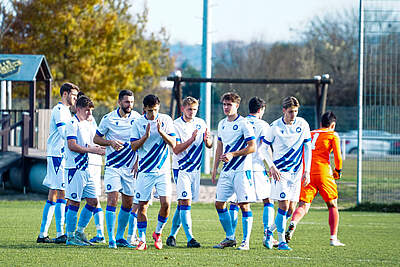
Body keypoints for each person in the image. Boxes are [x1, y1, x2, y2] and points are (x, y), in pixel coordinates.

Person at [285, 111, 345, 246]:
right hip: (323, 172)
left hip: (307, 173)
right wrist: (338, 171)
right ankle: (333, 239)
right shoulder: (332, 134)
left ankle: (293, 223)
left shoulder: (310, 133)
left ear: (321, 123)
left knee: (303, 205)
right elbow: (338, 157)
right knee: (332, 205)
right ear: (333, 125)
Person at [262, 96, 312, 250]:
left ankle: (269, 232)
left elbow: (308, 148)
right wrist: (271, 166)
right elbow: (263, 148)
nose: (293, 115)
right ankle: (281, 241)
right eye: (290, 111)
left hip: (296, 174)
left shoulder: (303, 124)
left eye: (296, 111)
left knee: (290, 210)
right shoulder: (275, 127)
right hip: (280, 173)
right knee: (283, 207)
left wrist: (307, 171)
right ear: (284, 110)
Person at [93, 90, 141, 249]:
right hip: (113, 167)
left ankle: (120, 237)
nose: (130, 105)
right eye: (127, 102)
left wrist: (138, 161)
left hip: (130, 168)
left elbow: (142, 142)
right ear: (119, 102)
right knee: (113, 199)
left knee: (128, 203)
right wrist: (110, 142)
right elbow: (96, 138)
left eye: (132, 102)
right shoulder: (108, 119)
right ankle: (111, 239)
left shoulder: (138, 118)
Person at [130, 94, 176, 251]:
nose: (153, 114)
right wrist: (146, 136)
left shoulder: (166, 120)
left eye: (155, 110)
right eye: (150, 111)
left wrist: (162, 132)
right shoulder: (138, 123)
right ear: (144, 109)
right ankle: (142, 239)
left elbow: (174, 144)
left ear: (159, 108)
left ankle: (158, 233)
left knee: (166, 204)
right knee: (142, 205)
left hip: (162, 171)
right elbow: (133, 146)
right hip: (145, 171)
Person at [211, 92, 256, 250]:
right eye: (224, 104)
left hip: (241, 171)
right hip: (226, 171)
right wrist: (215, 167)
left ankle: (246, 241)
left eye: (229, 104)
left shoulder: (244, 123)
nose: (226, 107)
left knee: (244, 205)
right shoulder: (222, 123)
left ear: (237, 106)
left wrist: (233, 154)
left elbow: (252, 147)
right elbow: (220, 146)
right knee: (219, 204)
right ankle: (230, 237)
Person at [166, 96, 213, 248]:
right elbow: (176, 149)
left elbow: (209, 145)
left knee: (182, 204)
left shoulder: (201, 123)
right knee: (185, 202)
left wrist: (208, 141)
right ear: (183, 109)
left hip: (195, 169)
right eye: (189, 109)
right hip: (181, 168)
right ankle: (190, 238)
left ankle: (172, 235)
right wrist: (192, 140)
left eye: (194, 109)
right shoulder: (175, 125)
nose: (192, 112)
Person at [37, 83, 79, 244]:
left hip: (61, 156)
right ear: (65, 94)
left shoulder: (67, 112)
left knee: (56, 193)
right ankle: (60, 233)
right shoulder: (60, 110)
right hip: (57, 156)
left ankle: (44, 234)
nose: (75, 98)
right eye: (73, 95)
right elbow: (64, 133)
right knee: (59, 192)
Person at [64, 95, 105, 246]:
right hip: (74, 168)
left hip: (86, 169)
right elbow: (72, 145)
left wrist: (99, 148)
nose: (90, 114)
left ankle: (80, 232)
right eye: (87, 111)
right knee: (74, 202)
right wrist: (92, 150)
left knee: (93, 201)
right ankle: (69, 237)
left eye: (91, 111)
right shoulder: (72, 123)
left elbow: (90, 144)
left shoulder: (86, 124)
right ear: (78, 108)